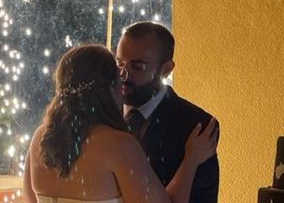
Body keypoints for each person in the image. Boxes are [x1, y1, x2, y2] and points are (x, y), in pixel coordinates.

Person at [23, 44, 218, 203]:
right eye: (119, 79)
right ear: (110, 87)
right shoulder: (118, 145)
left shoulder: (40, 138)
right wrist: (191, 160)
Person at [116, 21, 219, 202]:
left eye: (137, 67)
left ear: (166, 69)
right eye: (119, 63)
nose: (124, 74)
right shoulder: (100, 114)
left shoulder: (196, 125)